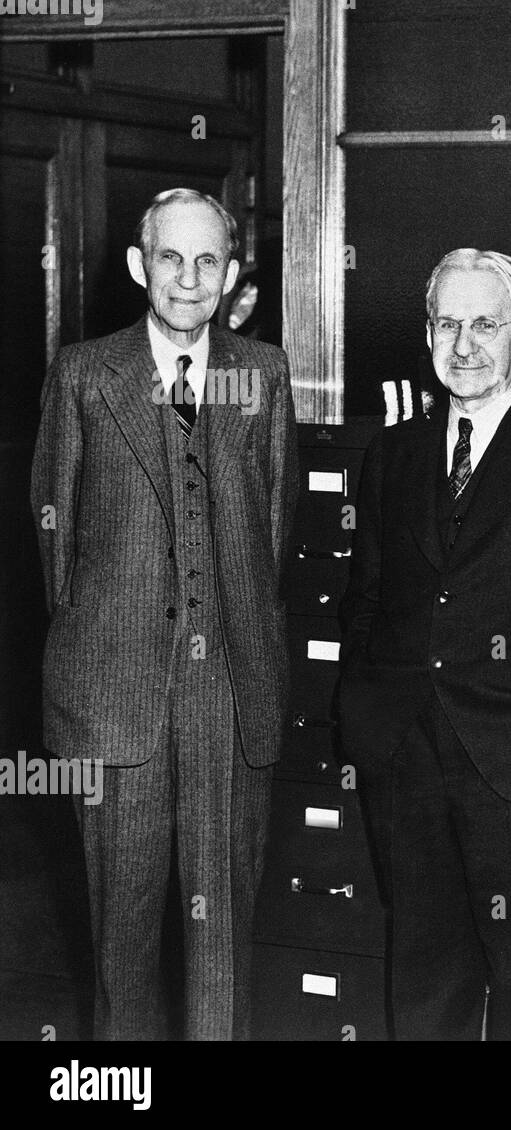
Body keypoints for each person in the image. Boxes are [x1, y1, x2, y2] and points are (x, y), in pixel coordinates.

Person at [30, 187, 298, 1040]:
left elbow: (274, 530)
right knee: (123, 948)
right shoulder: (83, 373)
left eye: (208, 260)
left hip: (229, 695)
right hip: (115, 698)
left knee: (223, 953)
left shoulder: (263, 374)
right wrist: (107, 640)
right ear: (141, 266)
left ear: (229, 276)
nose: (189, 278)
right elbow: (57, 540)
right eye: (172, 259)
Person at [338, 249, 511, 1040]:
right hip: (409, 758)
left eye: (486, 324)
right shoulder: (393, 454)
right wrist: (368, 717)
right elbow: (366, 601)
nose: (465, 345)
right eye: (447, 323)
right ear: (427, 333)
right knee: (425, 987)